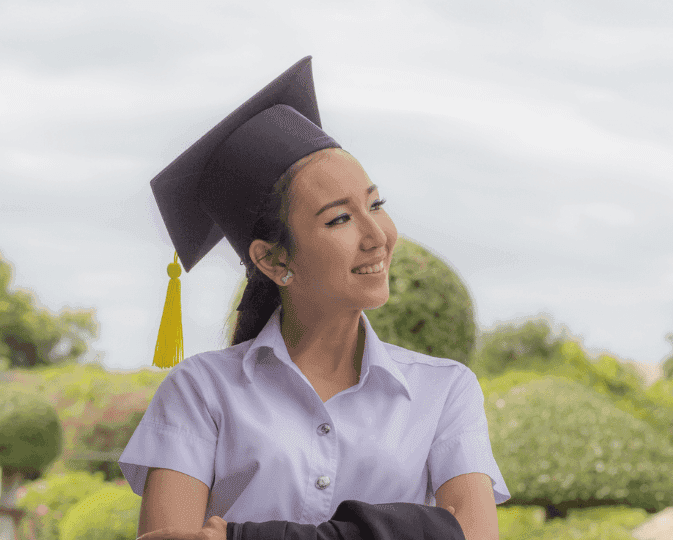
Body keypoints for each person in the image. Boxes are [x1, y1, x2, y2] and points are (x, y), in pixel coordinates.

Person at [118, 56, 510, 540]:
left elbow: (473, 537)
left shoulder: (445, 391)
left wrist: (243, 537)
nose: (377, 237)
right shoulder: (200, 392)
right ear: (273, 261)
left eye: (375, 204)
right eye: (338, 219)